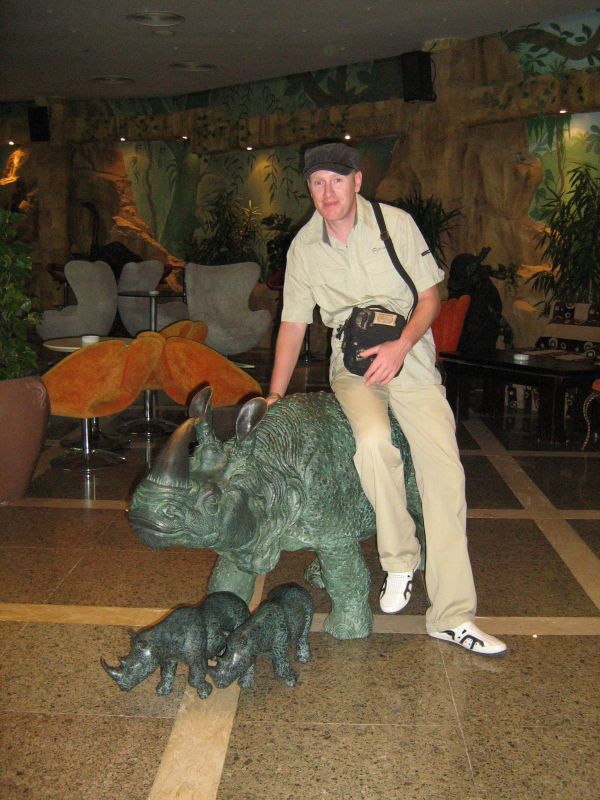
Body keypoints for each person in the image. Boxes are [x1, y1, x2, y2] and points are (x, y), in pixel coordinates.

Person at [266, 142, 506, 656]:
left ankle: (452, 616)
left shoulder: (394, 224)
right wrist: (274, 395)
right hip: (353, 364)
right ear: (308, 189)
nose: (327, 192)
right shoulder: (304, 247)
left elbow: (430, 297)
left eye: (337, 180)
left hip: (410, 354)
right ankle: (399, 558)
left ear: (357, 181)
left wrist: (401, 346)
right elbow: (292, 324)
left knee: (445, 478)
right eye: (317, 182)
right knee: (373, 441)